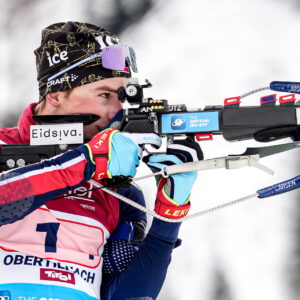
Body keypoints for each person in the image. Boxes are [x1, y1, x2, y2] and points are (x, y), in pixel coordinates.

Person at [0, 22, 201, 300]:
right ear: (55, 94)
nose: (116, 112)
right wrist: (85, 163)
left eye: (121, 97)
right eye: (105, 95)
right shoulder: (4, 148)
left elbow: (126, 296)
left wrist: (169, 214)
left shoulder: (119, 191)